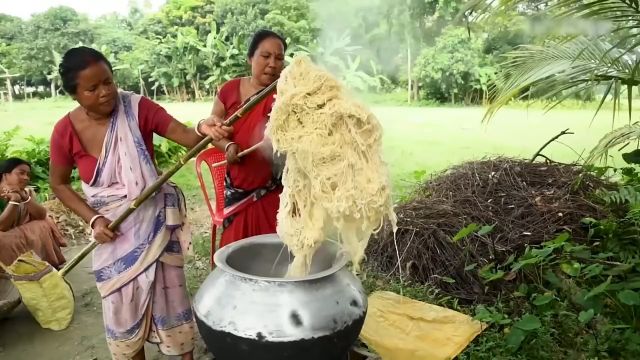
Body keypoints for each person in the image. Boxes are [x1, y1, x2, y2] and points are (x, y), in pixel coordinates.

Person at [48, 46, 229, 360]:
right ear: (75, 95)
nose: (105, 92)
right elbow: (58, 183)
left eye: (108, 81)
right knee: (123, 311)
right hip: (113, 236)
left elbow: (184, 135)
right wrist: (93, 219)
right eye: (92, 88)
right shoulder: (65, 131)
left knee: (170, 303)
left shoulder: (137, 107)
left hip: (155, 225)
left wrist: (204, 129)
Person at [208, 29, 287, 249]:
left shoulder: (287, 96)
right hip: (239, 190)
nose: (273, 64)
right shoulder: (229, 90)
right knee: (236, 255)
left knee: (273, 256)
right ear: (250, 58)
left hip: (273, 191)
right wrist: (228, 145)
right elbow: (213, 131)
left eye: (279, 58)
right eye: (265, 56)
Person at [0, 157, 67, 269]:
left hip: (14, 237)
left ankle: (38, 266)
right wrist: (14, 201)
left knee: (44, 223)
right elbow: (2, 226)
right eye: (21, 173)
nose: (26, 177)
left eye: (27, 174)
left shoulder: (27, 192)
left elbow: (41, 215)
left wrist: (25, 198)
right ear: (5, 174)